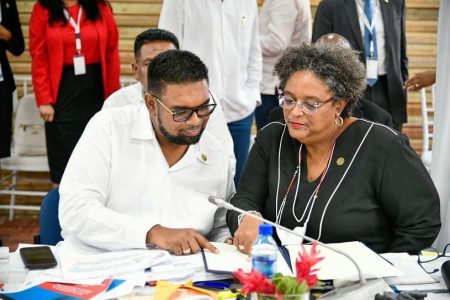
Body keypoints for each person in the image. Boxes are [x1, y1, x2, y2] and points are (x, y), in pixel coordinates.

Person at [226, 44, 440, 255]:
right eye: (289, 100)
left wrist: (383, 270)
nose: (294, 112)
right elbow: (244, 199)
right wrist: (248, 217)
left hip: (360, 282)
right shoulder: (272, 139)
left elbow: (422, 222)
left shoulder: (382, 146)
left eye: (310, 104)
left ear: (339, 105)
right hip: (281, 277)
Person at [59, 50, 235, 254]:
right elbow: (75, 210)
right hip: (100, 266)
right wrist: (151, 233)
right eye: (181, 112)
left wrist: (227, 241)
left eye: (204, 108)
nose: (196, 121)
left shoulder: (215, 152)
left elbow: (219, 226)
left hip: (181, 276)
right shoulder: (109, 128)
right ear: (151, 104)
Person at [158, 0, 262, 186]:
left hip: (239, 111)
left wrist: (251, 96)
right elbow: (167, 51)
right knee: (194, 182)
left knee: (236, 185)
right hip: (194, 113)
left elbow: (254, 50)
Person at [103, 28, 235, 162]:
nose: (159, 69)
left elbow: (226, 159)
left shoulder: (204, 102)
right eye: (149, 63)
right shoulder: (115, 105)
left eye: (168, 62)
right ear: (136, 70)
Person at [29, 0, 120, 185]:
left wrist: (112, 99)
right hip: (61, 94)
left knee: (96, 158)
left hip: (95, 92)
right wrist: (44, 99)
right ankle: (61, 208)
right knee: (63, 165)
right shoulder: (42, 9)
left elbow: (112, 52)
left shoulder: (100, 6)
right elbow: (38, 55)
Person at [312, 0, 408, 132]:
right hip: (349, 90)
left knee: (389, 144)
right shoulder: (330, 5)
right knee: (352, 145)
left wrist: (403, 84)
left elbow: (401, 49)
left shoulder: (396, 3)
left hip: (388, 89)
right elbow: (319, 56)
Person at [255, 0, 311, 130]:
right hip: (281, 80)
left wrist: (246, 41)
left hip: (273, 84)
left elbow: (276, 43)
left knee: (270, 142)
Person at [0, 0, 24, 158]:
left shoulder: (7, 3)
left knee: (1, 148)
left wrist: (6, 34)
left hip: (2, 84)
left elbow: (19, 47)